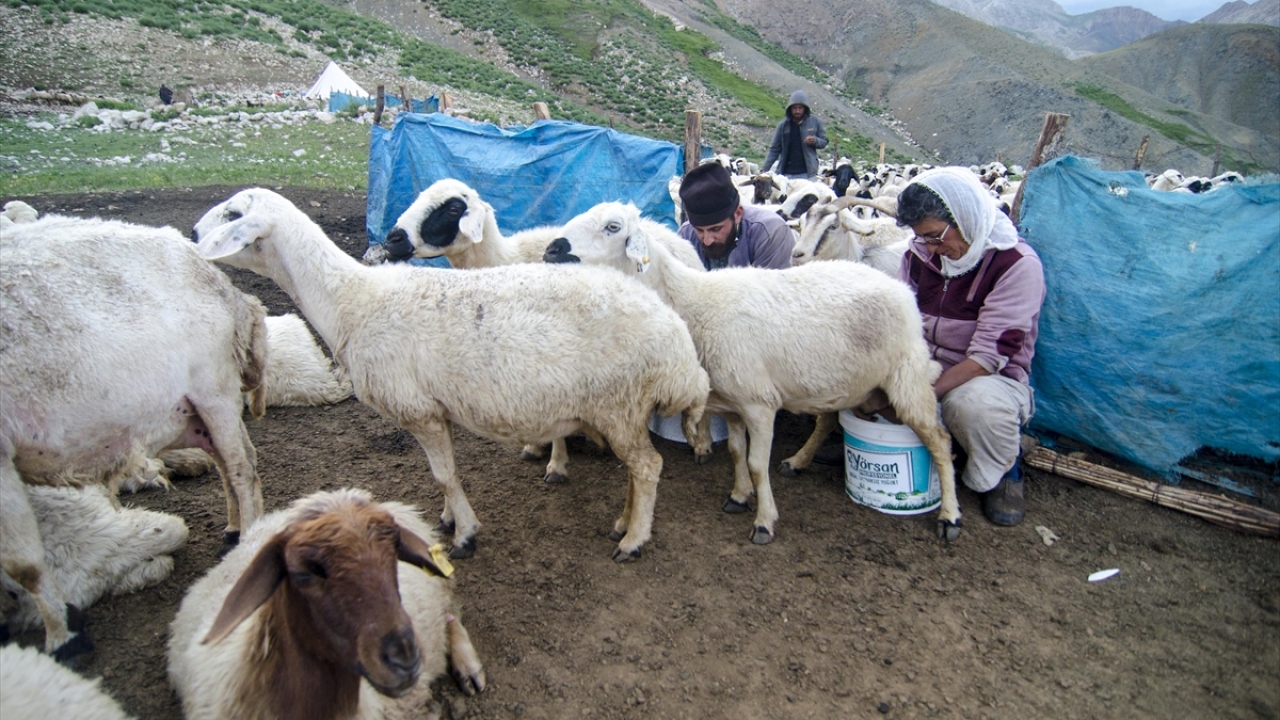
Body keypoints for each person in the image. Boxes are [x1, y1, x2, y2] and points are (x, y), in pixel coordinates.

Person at [862, 166, 1045, 526]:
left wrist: (915, 395)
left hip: (987, 377)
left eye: (935, 236)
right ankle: (878, 445)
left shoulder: (1015, 265)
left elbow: (986, 358)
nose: (932, 247)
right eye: (923, 238)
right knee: (857, 378)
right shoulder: (920, 256)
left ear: (964, 217)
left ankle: (1003, 467)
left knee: (973, 406)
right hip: (925, 362)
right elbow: (900, 320)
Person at [676, 162, 795, 270]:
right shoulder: (685, 236)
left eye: (716, 229)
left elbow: (772, 291)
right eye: (699, 230)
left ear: (737, 214)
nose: (707, 241)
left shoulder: (770, 233)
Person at [761, 90, 828, 182]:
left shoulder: (815, 122)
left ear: (805, 108)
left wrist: (815, 141)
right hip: (786, 174)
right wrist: (765, 169)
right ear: (790, 109)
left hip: (808, 174)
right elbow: (774, 149)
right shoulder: (783, 125)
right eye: (794, 108)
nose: (797, 111)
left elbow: (824, 141)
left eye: (800, 108)